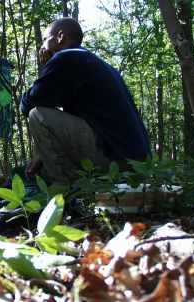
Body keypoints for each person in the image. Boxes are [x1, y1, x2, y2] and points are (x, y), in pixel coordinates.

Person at [20, 17, 151, 184]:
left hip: (117, 161)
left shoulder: (66, 59)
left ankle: (68, 193)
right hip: (136, 164)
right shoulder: (92, 62)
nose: (42, 46)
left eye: (46, 39)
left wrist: (47, 65)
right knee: (42, 163)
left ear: (60, 37)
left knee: (37, 115)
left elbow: (28, 104)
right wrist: (41, 154)